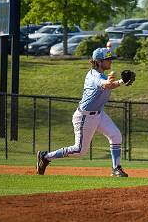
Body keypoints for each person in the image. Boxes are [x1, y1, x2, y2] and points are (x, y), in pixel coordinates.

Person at [36, 48, 130, 177]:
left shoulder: (101, 74)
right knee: (79, 151)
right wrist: (110, 82)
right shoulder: (94, 75)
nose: (110, 61)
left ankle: (116, 169)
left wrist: (121, 81)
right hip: (85, 117)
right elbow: (106, 84)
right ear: (98, 61)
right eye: (108, 59)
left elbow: (109, 84)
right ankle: (45, 157)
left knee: (116, 135)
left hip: (99, 114)